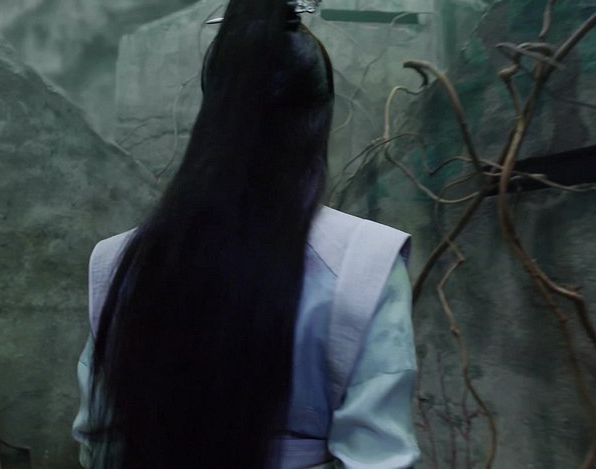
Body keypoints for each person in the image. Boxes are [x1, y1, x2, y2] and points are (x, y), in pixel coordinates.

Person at [71, 0, 420, 467]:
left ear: (211, 109)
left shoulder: (122, 261)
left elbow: (102, 441)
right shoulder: (365, 262)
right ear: (320, 116)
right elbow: (379, 458)